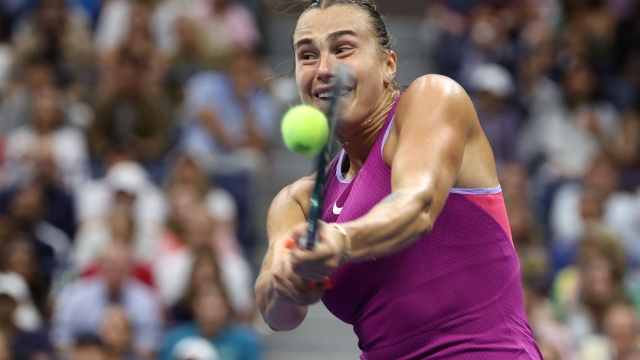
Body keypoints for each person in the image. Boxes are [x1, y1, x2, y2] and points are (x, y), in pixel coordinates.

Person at [255, 0, 542, 358]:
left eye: (343, 49)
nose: (324, 68)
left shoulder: (434, 98)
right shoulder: (295, 201)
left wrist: (340, 240)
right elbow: (280, 316)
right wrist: (285, 286)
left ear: (388, 65)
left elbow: (415, 205)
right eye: (307, 55)